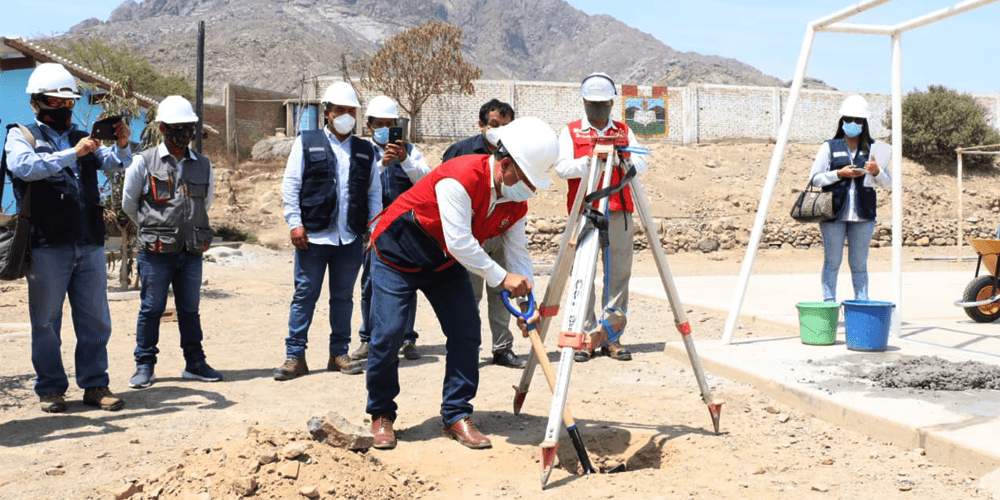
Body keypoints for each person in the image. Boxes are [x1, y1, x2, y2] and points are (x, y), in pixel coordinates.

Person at [365, 117, 558, 451]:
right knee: (388, 335)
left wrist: (527, 302)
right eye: (527, 178)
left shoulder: (516, 201)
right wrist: (502, 279)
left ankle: (456, 414)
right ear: (506, 163)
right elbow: (460, 242)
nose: (531, 188)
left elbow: (518, 254)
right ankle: (382, 414)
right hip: (396, 254)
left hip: (443, 262)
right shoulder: (460, 177)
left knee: (467, 333)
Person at [3, 63, 132, 413]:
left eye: (68, 103)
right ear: (36, 104)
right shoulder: (22, 136)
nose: (63, 109)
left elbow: (116, 164)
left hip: (88, 242)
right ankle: (50, 389)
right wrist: (71, 154)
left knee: (94, 319)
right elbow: (25, 167)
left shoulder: (83, 137)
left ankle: (95, 385)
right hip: (47, 245)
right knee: (46, 320)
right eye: (54, 103)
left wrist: (120, 144)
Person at [274, 82, 381, 381]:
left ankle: (339, 354)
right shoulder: (306, 142)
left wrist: (372, 227)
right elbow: (291, 185)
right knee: (305, 295)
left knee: (343, 297)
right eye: (340, 110)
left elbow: (373, 193)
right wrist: (295, 222)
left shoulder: (365, 149)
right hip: (314, 236)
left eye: (351, 111)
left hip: (350, 237)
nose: (346, 115)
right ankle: (295, 356)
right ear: (327, 113)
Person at [121, 95, 222, 389]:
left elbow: (207, 202)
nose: (184, 132)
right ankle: (145, 365)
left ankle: (195, 363)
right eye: (177, 126)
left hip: (191, 250)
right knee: (152, 308)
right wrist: (154, 227)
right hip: (155, 251)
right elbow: (130, 202)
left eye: (188, 126)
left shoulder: (203, 164)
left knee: (189, 309)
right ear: (163, 128)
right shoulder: (144, 160)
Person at [554, 72, 648, 363]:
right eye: (592, 102)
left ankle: (611, 337)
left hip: (619, 211)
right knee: (583, 275)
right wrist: (589, 161)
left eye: (602, 102)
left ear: (611, 102)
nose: (597, 107)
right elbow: (561, 168)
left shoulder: (623, 131)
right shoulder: (571, 132)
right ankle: (585, 337)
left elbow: (643, 162)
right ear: (583, 101)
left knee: (618, 276)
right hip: (586, 212)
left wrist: (623, 158)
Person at [440, 99, 526, 369]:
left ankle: (503, 348)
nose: (500, 130)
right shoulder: (460, 151)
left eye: (507, 126)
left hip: (499, 231)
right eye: (494, 125)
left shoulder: (519, 153)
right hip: (468, 236)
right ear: (482, 125)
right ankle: (467, 348)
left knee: (502, 288)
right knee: (469, 296)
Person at [352, 95, 430, 362]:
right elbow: (355, 183)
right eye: (380, 123)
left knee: (407, 283)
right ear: (370, 125)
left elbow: (426, 179)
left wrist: (405, 160)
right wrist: (381, 165)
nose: (385, 128)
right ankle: (368, 338)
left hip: (405, 229)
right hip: (373, 230)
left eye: (390, 123)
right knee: (370, 284)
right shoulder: (362, 151)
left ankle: (407, 339)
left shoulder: (411, 150)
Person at [809, 94, 892, 302]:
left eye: (857, 120)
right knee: (832, 262)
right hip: (833, 215)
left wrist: (876, 172)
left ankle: (861, 305)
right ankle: (829, 305)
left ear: (864, 123)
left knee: (859, 264)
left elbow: (888, 184)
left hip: (864, 216)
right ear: (841, 121)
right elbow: (815, 179)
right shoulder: (828, 147)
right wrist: (839, 174)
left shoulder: (877, 149)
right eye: (848, 119)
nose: (852, 124)